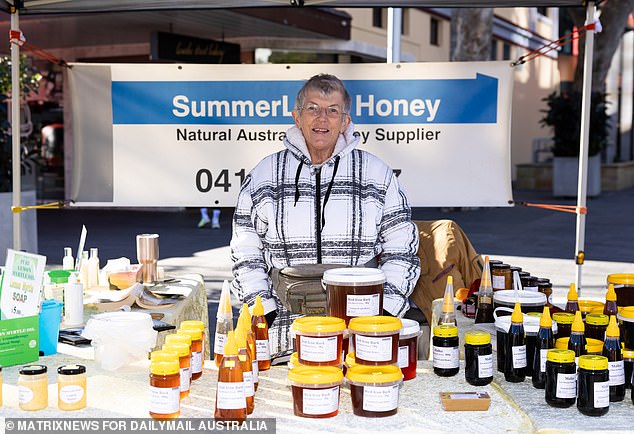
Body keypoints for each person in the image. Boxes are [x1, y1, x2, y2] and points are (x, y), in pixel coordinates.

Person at [230, 73, 421, 355]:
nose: (322, 118)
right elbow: (245, 249)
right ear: (297, 117)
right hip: (283, 335)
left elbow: (402, 249)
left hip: (359, 336)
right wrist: (263, 312)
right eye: (313, 108)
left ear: (345, 121)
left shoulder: (377, 174)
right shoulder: (264, 175)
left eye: (332, 111)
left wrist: (385, 311)